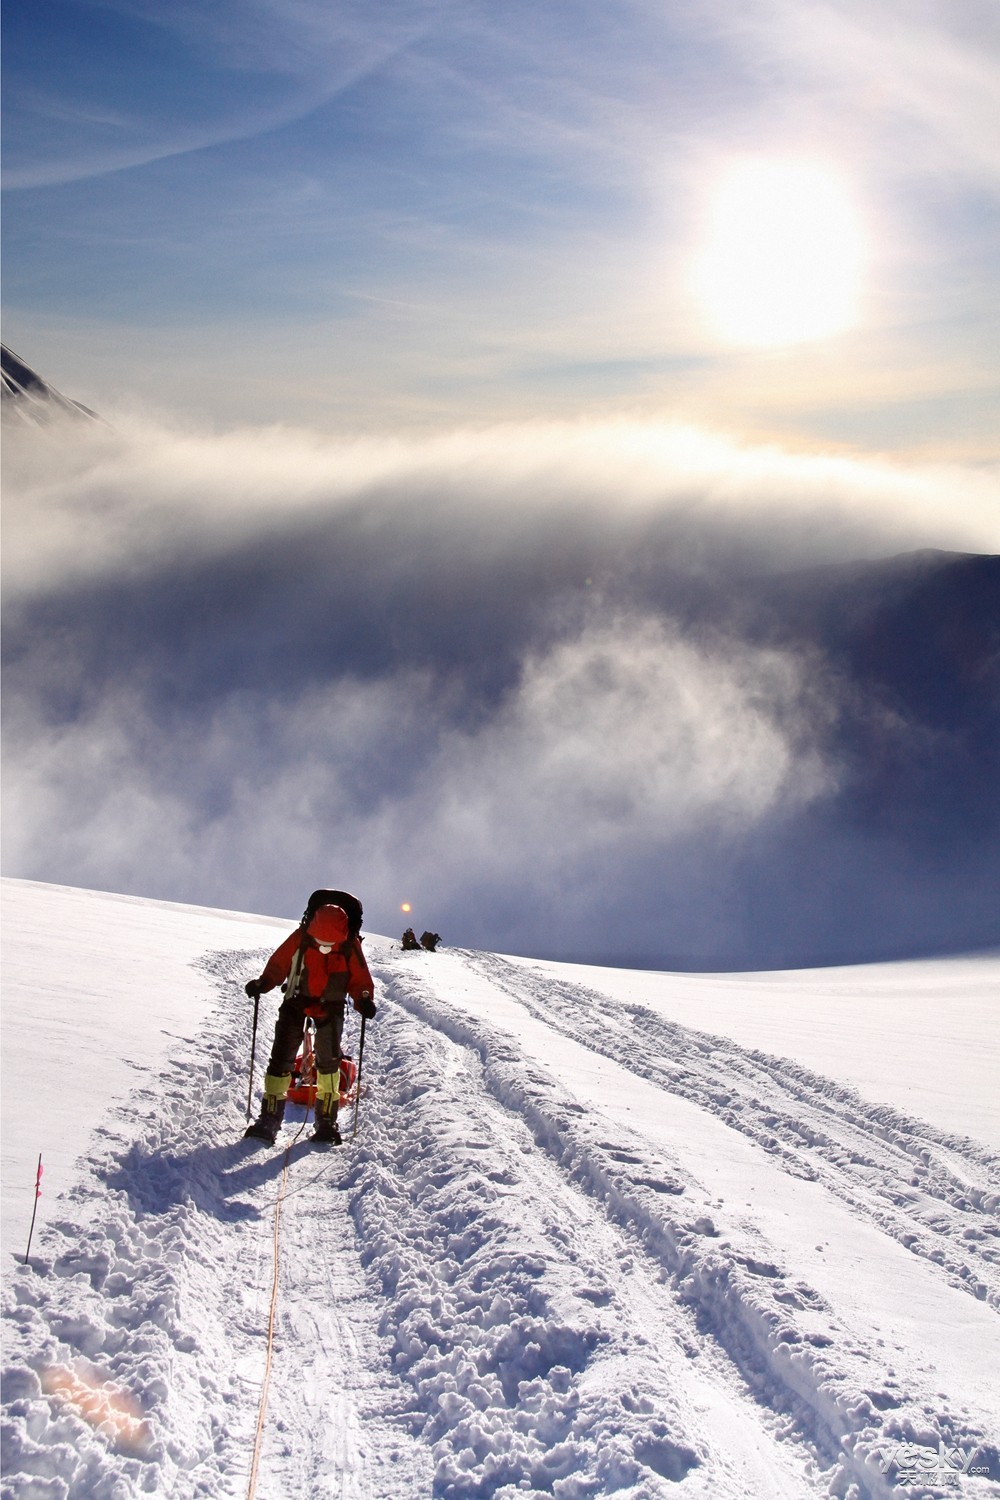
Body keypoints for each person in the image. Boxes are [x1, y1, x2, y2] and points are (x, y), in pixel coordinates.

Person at [244, 902, 376, 1145]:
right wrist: (263, 983)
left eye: (329, 943)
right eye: (321, 942)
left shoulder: (334, 942)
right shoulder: (325, 940)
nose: (325, 947)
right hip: (311, 1004)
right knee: (320, 1064)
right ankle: (321, 1120)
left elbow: (360, 980)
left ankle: (273, 1118)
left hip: (310, 1003)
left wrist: (363, 999)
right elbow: (280, 964)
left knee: (306, 1063)